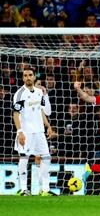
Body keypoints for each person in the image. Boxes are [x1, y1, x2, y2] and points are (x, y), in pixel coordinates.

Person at [12, 67, 55, 196]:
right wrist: (20, 131)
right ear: (23, 78)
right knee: (24, 158)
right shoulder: (19, 93)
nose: (28, 77)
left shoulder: (39, 92)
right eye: (25, 75)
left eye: (30, 75)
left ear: (34, 77)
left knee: (46, 157)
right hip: (26, 132)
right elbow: (15, 114)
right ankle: (23, 188)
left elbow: (41, 110)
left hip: (39, 132)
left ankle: (45, 189)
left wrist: (48, 126)